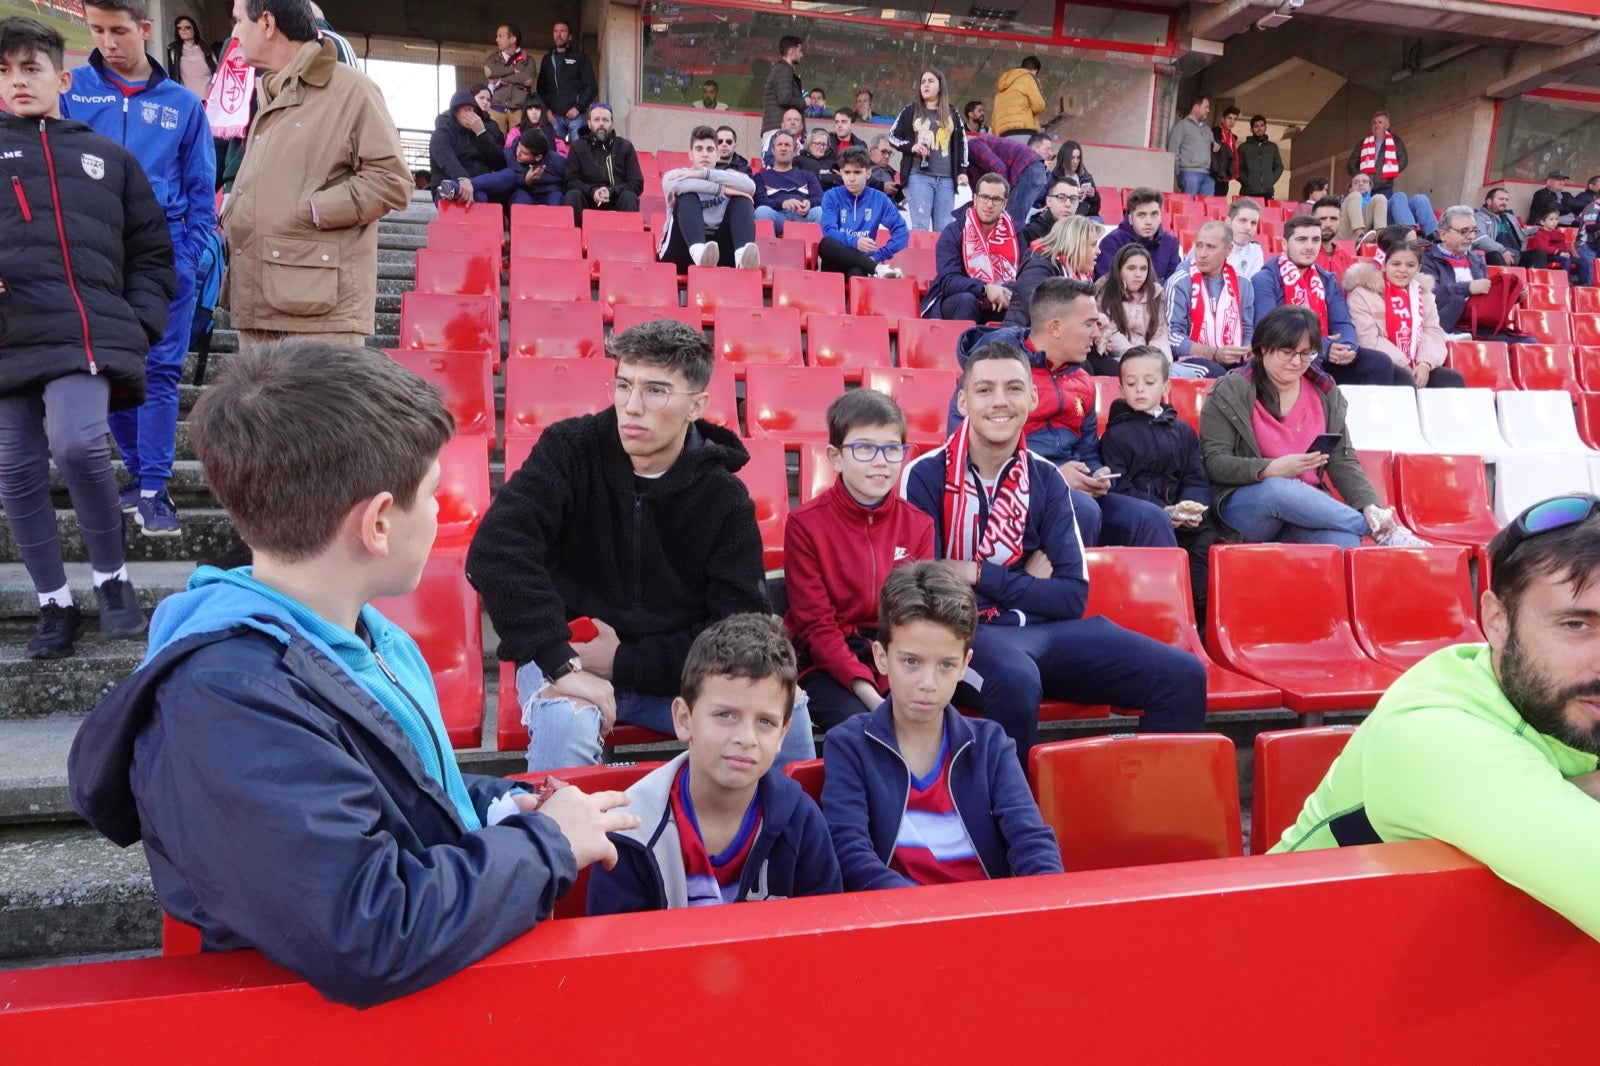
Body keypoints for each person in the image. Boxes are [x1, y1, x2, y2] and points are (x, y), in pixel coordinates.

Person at [67, 340, 641, 1009]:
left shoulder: (359, 634)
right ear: (376, 523)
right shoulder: (227, 702)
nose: (442, 513)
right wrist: (546, 846)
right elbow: (367, 927)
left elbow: (398, 787)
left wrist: (500, 805)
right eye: (431, 495)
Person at [466, 320, 817, 772]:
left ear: (697, 405)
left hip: (676, 676)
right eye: (623, 385)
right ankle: (557, 841)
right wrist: (560, 661)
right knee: (566, 722)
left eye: (655, 391)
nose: (631, 407)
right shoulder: (569, 451)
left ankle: (786, 838)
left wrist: (626, 662)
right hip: (568, 658)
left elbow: (737, 625)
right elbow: (496, 552)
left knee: (790, 707)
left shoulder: (723, 498)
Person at [1268, 494, 1600, 942]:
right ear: (1497, 621)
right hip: (1286, 972)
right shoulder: (1433, 732)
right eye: (1576, 625)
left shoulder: (1558, 700)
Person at [905, 340, 1206, 758]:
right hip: (969, 636)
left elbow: (1070, 596)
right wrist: (1026, 580)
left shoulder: (1046, 478)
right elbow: (927, 594)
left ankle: (1157, 814)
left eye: (1013, 388)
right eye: (985, 389)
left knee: (1182, 674)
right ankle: (1013, 819)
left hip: (1048, 630)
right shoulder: (924, 475)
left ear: (1031, 397)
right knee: (1014, 679)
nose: (1000, 402)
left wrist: (976, 574)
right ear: (963, 399)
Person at [0, 15, 173, 659]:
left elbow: (153, 253)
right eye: (3, 71)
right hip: (8, 336)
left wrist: (139, 323)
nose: (17, 82)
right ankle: (54, 603)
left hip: (84, 333)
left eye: (30, 68)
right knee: (14, 469)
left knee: (76, 444)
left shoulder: (110, 158)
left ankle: (112, 580)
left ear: (61, 78)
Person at [66, 0, 216, 539]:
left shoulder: (182, 104)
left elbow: (203, 188)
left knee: (159, 369)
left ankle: (154, 487)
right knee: (104, 369)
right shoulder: (71, 90)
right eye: (98, 30)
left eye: (119, 31)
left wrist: (190, 256)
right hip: (91, 253)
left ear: (145, 29)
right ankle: (136, 470)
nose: (108, 42)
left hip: (162, 253)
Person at [821, 561, 1063, 889]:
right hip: (899, 924)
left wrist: (1050, 902)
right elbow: (850, 855)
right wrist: (930, 916)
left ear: (965, 665)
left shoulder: (991, 744)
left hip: (983, 918)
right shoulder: (849, 744)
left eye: (946, 665)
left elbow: (1032, 842)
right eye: (911, 661)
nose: (928, 683)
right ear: (881, 657)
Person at [587, 615, 842, 913]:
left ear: (783, 734)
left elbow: (825, 935)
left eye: (765, 722)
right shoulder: (629, 831)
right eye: (726, 715)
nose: (746, 738)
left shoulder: (801, 821)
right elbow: (617, 954)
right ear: (684, 719)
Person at [222, 0, 411, 350]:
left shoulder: (352, 90)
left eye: (237, 21)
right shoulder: (270, 91)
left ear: (266, 23)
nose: (232, 33)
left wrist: (313, 209)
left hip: (318, 314)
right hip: (259, 301)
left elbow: (392, 181)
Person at [951, 278, 1179, 549]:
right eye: (1089, 324)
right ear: (1056, 328)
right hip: (1011, 491)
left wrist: (1096, 475)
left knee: (1150, 519)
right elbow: (964, 447)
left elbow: (1088, 451)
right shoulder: (993, 372)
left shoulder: (1083, 380)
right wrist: (1056, 475)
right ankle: (1065, 589)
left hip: (1072, 491)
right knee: (1082, 510)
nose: (1097, 333)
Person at [1199, 306, 1427, 548]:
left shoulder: (1325, 392)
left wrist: (1369, 505)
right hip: (1248, 509)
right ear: (1263, 348)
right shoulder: (1230, 390)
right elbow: (1214, 462)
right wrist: (1271, 468)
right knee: (1278, 489)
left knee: (1345, 542)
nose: (1297, 362)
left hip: (1304, 514)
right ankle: (1379, 530)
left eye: (1306, 354)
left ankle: (1377, 527)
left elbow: (1343, 460)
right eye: (1287, 352)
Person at [785, 391, 934, 730]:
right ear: (835, 457)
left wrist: (900, 678)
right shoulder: (805, 524)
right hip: (824, 662)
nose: (881, 461)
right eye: (864, 448)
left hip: (893, 655)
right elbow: (817, 628)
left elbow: (918, 614)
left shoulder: (919, 523)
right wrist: (870, 693)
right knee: (863, 725)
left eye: (892, 449)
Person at [1100, 347, 1215, 623]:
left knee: (1204, 547)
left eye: (1149, 383)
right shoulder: (1114, 436)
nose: (1140, 389)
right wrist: (1164, 510)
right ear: (1120, 388)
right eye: (1131, 383)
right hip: (1148, 520)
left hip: (1185, 521)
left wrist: (1193, 509)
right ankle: (1166, 617)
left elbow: (1195, 478)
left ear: (1165, 386)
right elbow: (1120, 487)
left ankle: (1198, 618)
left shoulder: (1183, 431)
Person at [1252, 215, 1413, 387]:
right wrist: (1324, 347)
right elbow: (1271, 332)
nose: (1309, 246)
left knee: (1384, 366)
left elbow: (1343, 323)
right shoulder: (1265, 279)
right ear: (1284, 244)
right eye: (1301, 240)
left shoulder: (1326, 279)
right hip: (1289, 356)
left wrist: (1347, 347)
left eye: (1315, 240)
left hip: (1327, 354)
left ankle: (1366, 414)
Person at [1342, 239, 1467, 389]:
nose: (1402, 270)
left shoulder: (1424, 295)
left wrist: (1425, 364)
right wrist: (1404, 364)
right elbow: (1367, 339)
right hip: (1383, 363)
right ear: (1384, 265)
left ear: (1419, 268)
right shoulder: (1363, 293)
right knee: (1404, 379)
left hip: (1418, 362)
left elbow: (1433, 333)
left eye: (1410, 265)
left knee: (1451, 379)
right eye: (1396, 264)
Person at [920, 173, 1021, 324]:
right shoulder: (954, 231)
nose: (989, 204)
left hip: (1000, 301)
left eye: (996, 199)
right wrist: (985, 289)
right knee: (966, 300)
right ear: (975, 199)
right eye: (984, 197)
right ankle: (962, 347)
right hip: (959, 300)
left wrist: (1004, 292)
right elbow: (948, 281)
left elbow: (1024, 277)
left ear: (1004, 203)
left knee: (1022, 305)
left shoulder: (1015, 234)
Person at [657, 125, 759, 271]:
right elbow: (671, 183)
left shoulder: (726, 176)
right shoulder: (679, 174)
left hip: (718, 251)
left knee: (743, 199)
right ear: (690, 155)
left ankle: (742, 258)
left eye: (710, 150)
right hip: (681, 249)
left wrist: (704, 174)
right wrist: (721, 190)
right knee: (687, 196)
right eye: (699, 149)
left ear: (718, 155)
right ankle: (698, 252)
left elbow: (751, 187)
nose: (704, 154)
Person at [1166, 221, 1252, 379]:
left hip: (1235, 359)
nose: (1202, 253)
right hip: (1188, 360)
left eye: (1210, 247)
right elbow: (1171, 336)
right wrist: (1214, 354)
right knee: (1218, 375)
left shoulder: (1243, 284)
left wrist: (1247, 351)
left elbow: (1247, 329)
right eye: (1199, 246)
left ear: (1229, 249)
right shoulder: (1179, 282)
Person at [889, 67, 966, 233]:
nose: (926, 85)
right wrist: (911, 146)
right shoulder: (910, 110)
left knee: (944, 230)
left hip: (946, 180)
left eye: (931, 81)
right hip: (919, 177)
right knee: (920, 228)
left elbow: (962, 143)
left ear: (940, 86)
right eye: (923, 82)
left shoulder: (952, 112)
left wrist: (962, 170)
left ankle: (939, 260)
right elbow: (892, 136)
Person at [818, 146, 907, 280]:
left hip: (863, 261)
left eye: (857, 172)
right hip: (834, 261)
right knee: (826, 244)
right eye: (847, 173)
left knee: (858, 272)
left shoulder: (880, 199)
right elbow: (829, 231)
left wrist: (879, 255)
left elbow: (902, 231)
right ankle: (877, 268)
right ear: (841, 173)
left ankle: (871, 266)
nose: (852, 178)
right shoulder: (831, 196)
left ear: (868, 173)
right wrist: (855, 242)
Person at [1346, 111, 1437, 237]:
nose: (1376, 125)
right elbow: (1351, 163)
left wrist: (1390, 172)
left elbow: (1403, 160)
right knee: (1398, 197)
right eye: (1374, 122)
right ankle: (1409, 235)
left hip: (1385, 186)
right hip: (1370, 197)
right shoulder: (1363, 143)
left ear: (1387, 125)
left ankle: (1434, 236)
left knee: (1420, 199)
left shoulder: (1395, 141)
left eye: (1380, 122)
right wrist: (1363, 179)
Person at [1421, 204, 1505, 338]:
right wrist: (1468, 288)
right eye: (1464, 231)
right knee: (1457, 301)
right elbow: (1431, 294)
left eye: (1474, 231)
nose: (1471, 237)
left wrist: (1512, 295)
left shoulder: (1477, 259)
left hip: (1475, 321)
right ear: (1443, 234)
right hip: (1442, 320)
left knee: (1528, 341)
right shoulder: (1427, 258)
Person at [562, 103, 644, 224]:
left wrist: (611, 191)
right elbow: (570, 181)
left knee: (630, 198)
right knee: (572, 196)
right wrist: (592, 191)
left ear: (612, 123)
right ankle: (573, 239)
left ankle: (627, 239)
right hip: (588, 198)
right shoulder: (578, 147)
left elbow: (637, 183)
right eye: (596, 119)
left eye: (605, 120)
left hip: (616, 198)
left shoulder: (625, 147)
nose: (601, 123)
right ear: (589, 123)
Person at [427, 90, 506, 203]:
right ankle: (454, 187)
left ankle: (457, 186)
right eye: (467, 110)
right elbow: (447, 159)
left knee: (510, 176)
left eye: (474, 111)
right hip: (450, 182)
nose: (472, 114)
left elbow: (498, 163)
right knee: (480, 197)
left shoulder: (479, 133)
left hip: (477, 184)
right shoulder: (442, 133)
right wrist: (462, 178)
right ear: (455, 112)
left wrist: (482, 133)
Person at [1097, 244, 1171, 361]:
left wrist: (1161, 361)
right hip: (1118, 357)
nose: (1138, 275)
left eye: (1143, 269)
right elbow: (1110, 332)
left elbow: (1159, 335)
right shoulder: (1105, 291)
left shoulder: (1156, 293)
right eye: (1131, 268)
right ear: (1119, 269)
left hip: (1151, 359)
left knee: (1185, 373)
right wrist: (1138, 359)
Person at [1093, 186, 1181, 282]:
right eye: (1141, 215)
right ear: (1130, 219)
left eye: (1154, 214)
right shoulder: (1111, 242)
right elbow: (1106, 283)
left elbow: (1174, 283)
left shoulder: (1170, 243)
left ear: (1160, 216)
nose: (1149, 221)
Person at [965, 130, 1049, 230]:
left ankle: (1010, 244)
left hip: (1027, 167)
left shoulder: (973, 145)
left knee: (1010, 222)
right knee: (1013, 221)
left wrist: (1000, 198)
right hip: (1033, 168)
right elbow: (978, 191)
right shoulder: (970, 167)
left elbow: (999, 168)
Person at [472, 127, 566, 208]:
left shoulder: (557, 162)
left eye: (524, 153)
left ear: (538, 157)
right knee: (517, 193)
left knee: (556, 197)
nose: (518, 153)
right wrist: (525, 180)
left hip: (548, 193)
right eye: (519, 147)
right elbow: (503, 177)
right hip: (522, 192)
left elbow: (567, 182)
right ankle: (464, 186)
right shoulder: (510, 153)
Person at [535, 20, 595, 142]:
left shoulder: (580, 57)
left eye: (562, 31)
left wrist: (578, 108)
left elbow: (591, 86)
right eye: (556, 31)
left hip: (576, 116)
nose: (558, 34)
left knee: (579, 152)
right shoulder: (547, 59)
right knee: (553, 152)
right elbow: (541, 88)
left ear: (570, 36)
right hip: (554, 117)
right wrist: (546, 110)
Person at [753, 129, 822, 236]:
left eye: (787, 145)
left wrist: (809, 204)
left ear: (795, 151)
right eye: (780, 145)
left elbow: (821, 199)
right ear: (773, 150)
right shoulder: (761, 177)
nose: (783, 148)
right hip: (778, 217)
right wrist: (783, 204)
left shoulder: (807, 175)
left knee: (820, 212)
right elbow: (760, 202)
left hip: (804, 217)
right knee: (761, 212)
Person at [1475, 187, 1546, 269]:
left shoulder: (1509, 217)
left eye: (1506, 200)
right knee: (1496, 256)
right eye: (1501, 199)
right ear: (1489, 201)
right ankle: (1504, 280)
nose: (1504, 202)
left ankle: (1534, 280)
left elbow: (1520, 233)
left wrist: (1539, 229)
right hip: (1494, 254)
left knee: (1540, 253)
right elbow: (1480, 239)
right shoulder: (1479, 217)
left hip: (1515, 255)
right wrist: (1502, 250)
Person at [481, 23, 533, 136]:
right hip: (496, 107)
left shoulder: (528, 59)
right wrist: (514, 70)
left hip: (518, 109)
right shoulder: (494, 57)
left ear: (512, 39)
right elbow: (489, 72)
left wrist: (499, 76)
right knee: (494, 141)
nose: (496, 39)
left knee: (518, 143)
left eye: (500, 36)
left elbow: (528, 79)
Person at [1168, 95, 1217, 196]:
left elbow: (1213, 144)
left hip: (1207, 174)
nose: (1208, 110)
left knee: (1205, 208)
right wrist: (1177, 173)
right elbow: (1173, 150)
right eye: (1206, 107)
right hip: (1189, 172)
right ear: (1196, 107)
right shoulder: (1181, 126)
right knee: (1189, 207)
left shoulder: (1207, 129)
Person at [992, 55, 1045, 142]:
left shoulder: (1002, 86)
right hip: (1023, 130)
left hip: (1003, 134)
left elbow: (994, 116)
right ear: (1035, 70)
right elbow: (1038, 106)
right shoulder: (1028, 78)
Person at [761, 35, 805, 135]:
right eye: (799, 51)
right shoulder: (783, 70)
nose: (801, 55)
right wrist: (804, 102)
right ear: (791, 52)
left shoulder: (783, 70)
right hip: (778, 129)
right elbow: (784, 99)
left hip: (778, 128)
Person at [165, 14, 214, 97]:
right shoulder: (173, 50)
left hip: (209, 98)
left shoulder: (207, 49)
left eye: (187, 27)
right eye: (179, 28)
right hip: (187, 98)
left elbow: (216, 71)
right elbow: (173, 76)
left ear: (194, 29)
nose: (183, 30)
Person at [1236, 115, 1283, 202]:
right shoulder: (1243, 148)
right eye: (1256, 126)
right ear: (1251, 129)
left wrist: (1271, 179)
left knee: (1267, 215)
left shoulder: (1272, 147)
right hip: (1248, 191)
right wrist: (1247, 182)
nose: (1259, 128)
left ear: (1266, 127)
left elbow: (1279, 166)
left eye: (1262, 125)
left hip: (1267, 191)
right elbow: (1236, 168)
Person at [1052, 139, 1101, 220]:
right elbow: (1051, 204)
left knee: (1098, 220)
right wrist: (1072, 197)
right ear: (1064, 158)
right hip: (1064, 217)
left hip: (1084, 216)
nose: (1075, 161)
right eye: (1072, 158)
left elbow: (1095, 210)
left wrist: (1094, 196)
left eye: (1078, 158)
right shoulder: (1055, 177)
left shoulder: (1086, 177)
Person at [1024, 176, 1079, 244]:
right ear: (1049, 201)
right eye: (1061, 198)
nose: (1068, 204)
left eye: (1073, 199)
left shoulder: (1081, 232)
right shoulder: (1032, 232)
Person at [1311, 196, 1357, 278]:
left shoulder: (1347, 260)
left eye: (1333, 219)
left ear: (1340, 221)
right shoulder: (1303, 256)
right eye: (1322, 219)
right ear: (1312, 221)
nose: (1328, 224)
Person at [1337, 172, 1388, 241]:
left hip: (1359, 238)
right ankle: (1360, 235)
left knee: (1380, 198)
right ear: (1350, 189)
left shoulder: (1373, 202)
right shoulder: (1345, 199)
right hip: (1342, 235)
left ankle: (1381, 239)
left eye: (1365, 181)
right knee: (1355, 195)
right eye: (1356, 183)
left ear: (1370, 187)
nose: (1361, 184)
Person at [1527, 207, 1575, 276]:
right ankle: (1565, 281)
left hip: (1560, 255)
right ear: (1542, 222)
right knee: (1566, 261)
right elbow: (1543, 248)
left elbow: (1563, 246)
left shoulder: (1559, 234)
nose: (1554, 222)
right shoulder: (1540, 234)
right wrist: (1559, 252)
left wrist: (1566, 252)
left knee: (1582, 262)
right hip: (1548, 256)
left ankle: (1584, 283)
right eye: (1551, 219)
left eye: (1556, 219)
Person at [1225, 197, 1264, 279]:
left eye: (1253, 223)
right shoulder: (1208, 246)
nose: (1248, 227)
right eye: (1243, 220)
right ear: (1228, 222)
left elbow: (1254, 285)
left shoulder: (1256, 250)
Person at [797, 126, 841, 191]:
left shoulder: (833, 162)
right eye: (817, 143)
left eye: (824, 144)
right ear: (809, 144)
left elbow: (840, 180)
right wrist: (824, 175)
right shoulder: (799, 160)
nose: (821, 147)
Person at [1211, 104, 1240, 196]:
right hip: (1214, 174)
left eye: (1235, 119)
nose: (1232, 122)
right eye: (1229, 118)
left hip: (1225, 176)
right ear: (1222, 119)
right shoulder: (1214, 132)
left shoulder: (1234, 138)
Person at [867, 135, 902, 203]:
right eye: (883, 151)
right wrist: (882, 187)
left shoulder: (892, 171)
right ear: (872, 150)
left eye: (889, 153)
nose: (887, 156)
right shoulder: (861, 169)